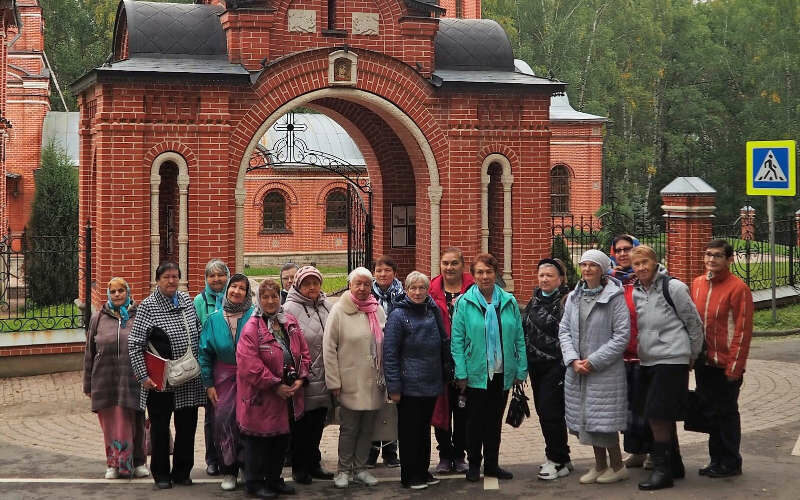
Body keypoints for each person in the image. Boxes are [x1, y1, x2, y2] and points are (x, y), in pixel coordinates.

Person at [629, 245, 704, 490]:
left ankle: (662, 471)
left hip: (672, 358)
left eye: (644, 263)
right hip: (649, 359)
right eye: (636, 264)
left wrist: (692, 354)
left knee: (657, 414)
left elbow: (693, 322)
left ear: (655, 262)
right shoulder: (638, 291)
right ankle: (675, 464)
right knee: (662, 413)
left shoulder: (673, 287)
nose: (640, 268)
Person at [128, 262, 206, 489]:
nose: (172, 281)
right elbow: (135, 344)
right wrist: (143, 377)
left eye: (175, 276)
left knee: (187, 427)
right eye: (167, 277)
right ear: (157, 280)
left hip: (189, 379)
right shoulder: (148, 307)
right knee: (160, 429)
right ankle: (161, 474)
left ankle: (182, 472)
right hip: (160, 381)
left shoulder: (186, 300)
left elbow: (198, 330)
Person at [451, 253, 527, 482]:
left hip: (502, 372)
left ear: (496, 274)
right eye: (480, 272)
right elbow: (457, 340)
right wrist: (461, 373)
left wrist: (520, 369)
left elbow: (519, 338)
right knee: (474, 422)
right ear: (473, 276)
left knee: (494, 422)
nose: (485, 276)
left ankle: (492, 465)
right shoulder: (464, 303)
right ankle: (474, 463)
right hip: (475, 373)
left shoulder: (509, 301)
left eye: (489, 272)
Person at [558, 249, 630, 485]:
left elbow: (621, 336)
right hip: (577, 369)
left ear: (603, 269)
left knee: (604, 421)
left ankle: (618, 466)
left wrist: (593, 361)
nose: (587, 269)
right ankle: (599, 465)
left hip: (604, 370)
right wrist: (572, 359)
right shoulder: (574, 297)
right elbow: (564, 330)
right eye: (584, 265)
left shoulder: (615, 297)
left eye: (593, 265)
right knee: (586, 420)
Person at [237, 279, 310, 499]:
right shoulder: (252, 327)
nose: (270, 301)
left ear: (281, 298)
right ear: (259, 300)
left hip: (287, 396)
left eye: (275, 296)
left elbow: (303, 353)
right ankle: (255, 482)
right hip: (261, 396)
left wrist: (300, 378)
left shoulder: (290, 322)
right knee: (259, 442)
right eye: (266, 297)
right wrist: (275, 384)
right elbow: (249, 364)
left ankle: (274, 479)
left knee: (280, 441)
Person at [691, 239, 753, 478]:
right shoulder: (697, 284)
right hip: (704, 362)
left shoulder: (738, 289)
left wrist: (735, 367)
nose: (711, 260)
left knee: (726, 413)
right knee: (710, 413)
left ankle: (731, 462)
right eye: (708, 255)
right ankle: (715, 460)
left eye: (717, 256)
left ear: (729, 260)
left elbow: (742, 330)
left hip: (726, 364)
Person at [323, 267, 387, 488]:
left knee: (368, 428)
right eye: (357, 283)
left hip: (373, 381)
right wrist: (333, 381)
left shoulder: (377, 310)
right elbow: (329, 348)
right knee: (349, 428)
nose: (362, 288)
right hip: (349, 381)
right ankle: (343, 470)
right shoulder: (339, 310)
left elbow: (385, 345)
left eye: (366, 284)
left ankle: (360, 468)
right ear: (350, 285)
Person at [383, 271, 446, 489]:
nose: (418, 292)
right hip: (408, 385)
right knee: (410, 433)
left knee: (423, 431)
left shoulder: (431, 309)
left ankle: (422, 469)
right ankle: (410, 476)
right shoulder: (398, 316)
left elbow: (443, 340)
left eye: (422, 288)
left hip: (430, 382)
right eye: (413, 288)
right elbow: (390, 353)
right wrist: (394, 387)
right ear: (406, 290)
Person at [83, 277, 148, 479]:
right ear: (108, 294)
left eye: (121, 291)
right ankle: (113, 463)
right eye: (113, 292)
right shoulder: (98, 318)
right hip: (105, 381)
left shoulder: (138, 316)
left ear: (128, 292)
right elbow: (89, 352)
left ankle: (138, 463)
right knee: (111, 424)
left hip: (132, 380)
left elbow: (148, 349)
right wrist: (87, 384)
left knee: (135, 422)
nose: (117, 294)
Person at [198, 273, 254, 491]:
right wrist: (208, 383)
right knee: (223, 422)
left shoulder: (255, 317)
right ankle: (228, 469)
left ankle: (246, 466)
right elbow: (204, 354)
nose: (237, 291)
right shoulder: (213, 319)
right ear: (227, 289)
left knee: (247, 422)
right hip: (222, 378)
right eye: (234, 287)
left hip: (250, 377)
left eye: (242, 288)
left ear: (247, 293)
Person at [282, 266, 335, 484]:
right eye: (306, 283)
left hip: (325, 375)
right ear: (298, 285)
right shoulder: (289, 309)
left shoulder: (327, 306)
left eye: (315, 282)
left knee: (318, 424)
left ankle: (314, 463)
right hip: (303, 377)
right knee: (300, 426)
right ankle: (300, 467)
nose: (312, 287)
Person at [522, 258, 573, 480]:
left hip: (556, 365)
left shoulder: (566, 302)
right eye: (541, 275)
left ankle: (557, 460)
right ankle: (562, 457)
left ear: (560, 279)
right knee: (545, 412)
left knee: (551, 412)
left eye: (550, 275)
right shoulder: (534, 301)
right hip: (535, 366)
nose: (544, 279)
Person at [429, 247, 474, 474]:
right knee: (441, 411)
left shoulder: (473, 288)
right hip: (440, 362)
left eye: (454, 263)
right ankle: (445, 455)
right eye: (445, 263)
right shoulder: (430, 290)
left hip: (467, 360)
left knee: (463, 412)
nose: (449, 268)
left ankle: (460, 455)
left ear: (463, 265)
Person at [609, 235, 651, 470]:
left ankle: (655, 452)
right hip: (620, 356)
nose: (623, 253)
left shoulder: (647, 277)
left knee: (647, 406)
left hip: (646, 354)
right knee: (628, 408)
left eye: (628, 249)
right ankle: (637, 452)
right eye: (619, 250)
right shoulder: (611, 280)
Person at [193, 258, 230, 477]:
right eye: (211, 275)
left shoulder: (234, 297)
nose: (216, 279)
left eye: (220, 274)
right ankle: (212, 458)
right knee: (212, 416)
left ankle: (230, 456)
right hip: (210, 366)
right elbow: (198, 332)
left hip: (231, 367)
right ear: (206, 279)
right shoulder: (200, 300)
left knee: (232, 413)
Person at [367, 255, 403, 468]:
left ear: (394, 273)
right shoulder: (366, 295)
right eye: (379, 271)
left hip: (395, 357)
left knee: (392, 406)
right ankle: (371, 451)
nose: (382, 274)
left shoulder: (403, 296)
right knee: (372, 404)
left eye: (387, 270)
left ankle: (390, 451)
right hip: (371, 357)